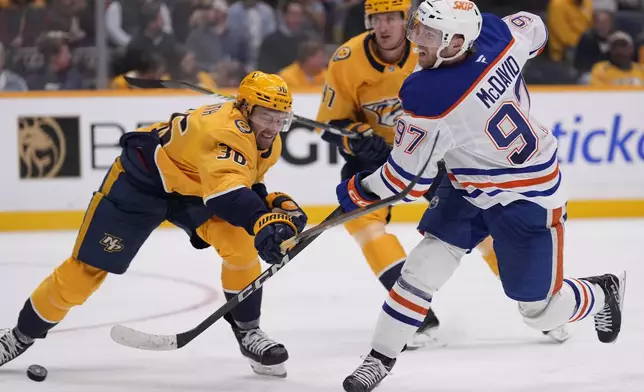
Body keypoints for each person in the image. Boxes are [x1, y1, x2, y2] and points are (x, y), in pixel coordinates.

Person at [335, 1, 626, 391]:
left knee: (540, 312)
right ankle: (379, 360)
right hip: (469, 186)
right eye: (418, 28)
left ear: (457, 41)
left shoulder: (428, 93)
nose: (416, 40)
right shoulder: (495, 33)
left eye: (429, 35)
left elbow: (407, 182)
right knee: (420, 272)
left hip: (528, 197)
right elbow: (536, 29)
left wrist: (359, 189)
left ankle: (599, 290)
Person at [0, 71, 307, 378]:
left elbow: (243, 182)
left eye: (281, 119)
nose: (273, 127)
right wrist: (263, 220)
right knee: (86, 271)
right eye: (267, 116)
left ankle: (248, 332)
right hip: (141, 182)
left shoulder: (267, 140)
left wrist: (271, 206)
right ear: (244, 108)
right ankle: (19, 335)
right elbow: (226, 196)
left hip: (192, 189)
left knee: (240, 246)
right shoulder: (224, 130)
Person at [315, 0, 567, 350]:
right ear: (367, 21)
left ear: (411, 21)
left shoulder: (435, 50)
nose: (385, 27)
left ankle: (538, 302)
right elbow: (331, 124)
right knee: (364, 223)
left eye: (393, 18)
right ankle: (419, 312)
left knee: (480, 230)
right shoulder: (347, 59)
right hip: (377, 156)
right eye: (377, 19)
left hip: (437, 156)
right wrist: (357, 138)